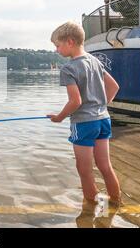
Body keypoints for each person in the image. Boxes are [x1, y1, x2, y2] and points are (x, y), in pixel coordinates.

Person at [47, 21, 121, 205]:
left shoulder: (69, 68)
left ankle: (90, 208)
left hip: (84, 124)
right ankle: (116, 202)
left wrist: (59, 118)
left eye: (58, 45)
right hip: (103, 119)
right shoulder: (94, 60)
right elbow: (114, 86)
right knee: (105, 166)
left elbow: (75, 101)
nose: (57, 50)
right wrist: (101, 106)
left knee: (84, 170)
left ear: (70, 42)